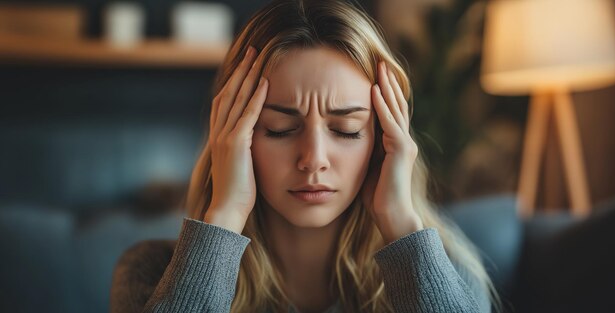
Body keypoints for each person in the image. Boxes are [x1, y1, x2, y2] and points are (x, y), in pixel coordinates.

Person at [110, 0, 499, 312]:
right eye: (280, 128)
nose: (313, 159)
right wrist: (225, 214)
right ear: (232, 136)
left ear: (384, 138)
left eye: (346, 130)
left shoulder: (446, 275)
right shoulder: (148, 274)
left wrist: (400, 223)